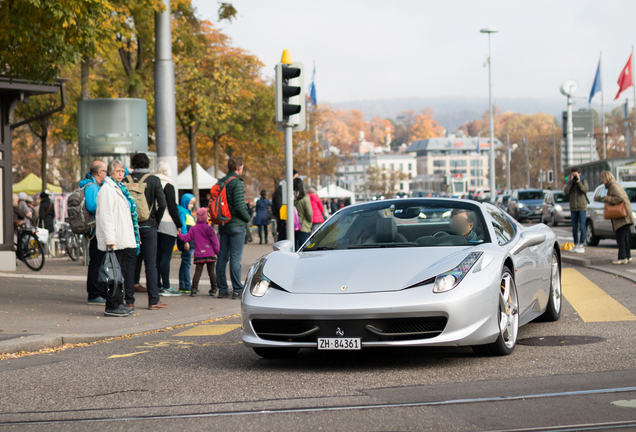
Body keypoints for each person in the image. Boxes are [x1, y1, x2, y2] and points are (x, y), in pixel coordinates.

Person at [123, 153, 168, 310]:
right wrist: (155, 220)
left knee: (129, 263)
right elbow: (162, 204)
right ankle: (153, 301)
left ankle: (129, 301)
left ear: (133, 165)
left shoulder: (124, 180)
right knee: (150, 263)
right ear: (147, 164)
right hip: (149, 226)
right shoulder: (154, 180)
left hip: (130, 227)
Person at [95, 159, 138, 317]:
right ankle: (112, 305)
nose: (121, 174)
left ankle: (118, 303)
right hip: (115, 239)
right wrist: (110, 240)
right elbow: (106, 216)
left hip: (121, 238)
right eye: (117, 171)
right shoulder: (108, 189)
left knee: (119, 273)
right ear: (111, 172)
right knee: (113, 274)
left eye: (122, 171)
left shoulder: (119, 188)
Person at [216, 156, 251, 299]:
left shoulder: (221, 181)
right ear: (239, 167)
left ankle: (222, 289)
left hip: (224, 224)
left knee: (222, 257)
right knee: (235, 258)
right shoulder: (236, 183)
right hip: (236, 225)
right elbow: (239, 206)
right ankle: (237, 289)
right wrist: (247, 218)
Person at [81, 160, 108, 305]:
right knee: (97, 262)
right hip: (96, 230)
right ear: (99, 173)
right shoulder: (92, 187)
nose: (107, 174)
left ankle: (97, 292)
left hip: (97, 230)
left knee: (98, 262)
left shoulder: (92, 185)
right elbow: (92, 206)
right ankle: (94, 294)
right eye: (105, 171)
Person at [154, 162, 182, 296]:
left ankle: (157, 284)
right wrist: (179, 224)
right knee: (166, 257)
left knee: (157, 256)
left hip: (155, 223)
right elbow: (172, 206)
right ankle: (166, 285)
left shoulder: (152, 182)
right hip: (167, 223)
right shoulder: (168, 184)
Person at [178, 208, 219, 296]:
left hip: (199, 254)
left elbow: (187, 238)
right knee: (211, 272)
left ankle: (194, 289)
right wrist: (218, 252)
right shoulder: (209, 228)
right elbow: (215, 242)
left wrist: (179, 234)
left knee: (198, 272)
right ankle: (214, 288)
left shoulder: (194, 228)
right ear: (206, 216)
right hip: (210, 253)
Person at [600, 171, 634, 265]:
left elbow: (620, 198)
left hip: (621, 216)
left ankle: (622, 257)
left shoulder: (613, 186)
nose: (601, 181)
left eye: (602, 179)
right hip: (625, 215)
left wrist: (607, 199)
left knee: (620, 237)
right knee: (625, 237)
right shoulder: (616, 185)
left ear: (605, 178)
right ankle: (628, 256)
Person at [564, 167, 589, 254]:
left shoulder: (583, 180)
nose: (574, 176)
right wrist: (571, 182)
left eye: (575, 174)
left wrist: (578, 182)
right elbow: (566, 191)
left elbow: (585, 190)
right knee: (574, 227)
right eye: (572, 174)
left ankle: (582, 244)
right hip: (573, 207)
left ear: (579, 173)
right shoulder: (570, 182)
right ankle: (576, 244)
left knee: (582, 226)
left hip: (582, 207)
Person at [271, 169, 298, 241]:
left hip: (284, 218)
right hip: (283, 219)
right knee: (283, 236)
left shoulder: (284, 188)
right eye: (296, 177)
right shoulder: (282, 189)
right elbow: (279, 204)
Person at [178, 193, 196, 294]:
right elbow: (183, 228)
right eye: (190, 203)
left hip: (189, 241)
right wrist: (186, 241)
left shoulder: (186, 212)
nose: (192, 206)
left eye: (193, 204)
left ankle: (183, 284)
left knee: (185, 263)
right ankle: (187, 285)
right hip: (188, 241)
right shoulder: (183, 213)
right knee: (187, 263)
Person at [293, 177, 313, 250]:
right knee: (304, 249)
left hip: (292, 227)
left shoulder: (291, 199)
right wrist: (309, 221)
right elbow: (309, 213)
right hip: (304, 226)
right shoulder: (305, 199)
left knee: (295, 249)